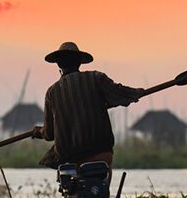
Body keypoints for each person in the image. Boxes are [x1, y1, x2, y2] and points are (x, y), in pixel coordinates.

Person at [31, 42, 145, 172]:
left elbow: (49, 133)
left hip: (71, 158)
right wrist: (139, 92)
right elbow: (120, 93)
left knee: (69, 185)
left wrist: (39, 132)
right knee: (101, 187)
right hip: (102, 151)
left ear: (59, 65)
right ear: (79, 62)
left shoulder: (52, 92)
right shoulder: (96, 78)